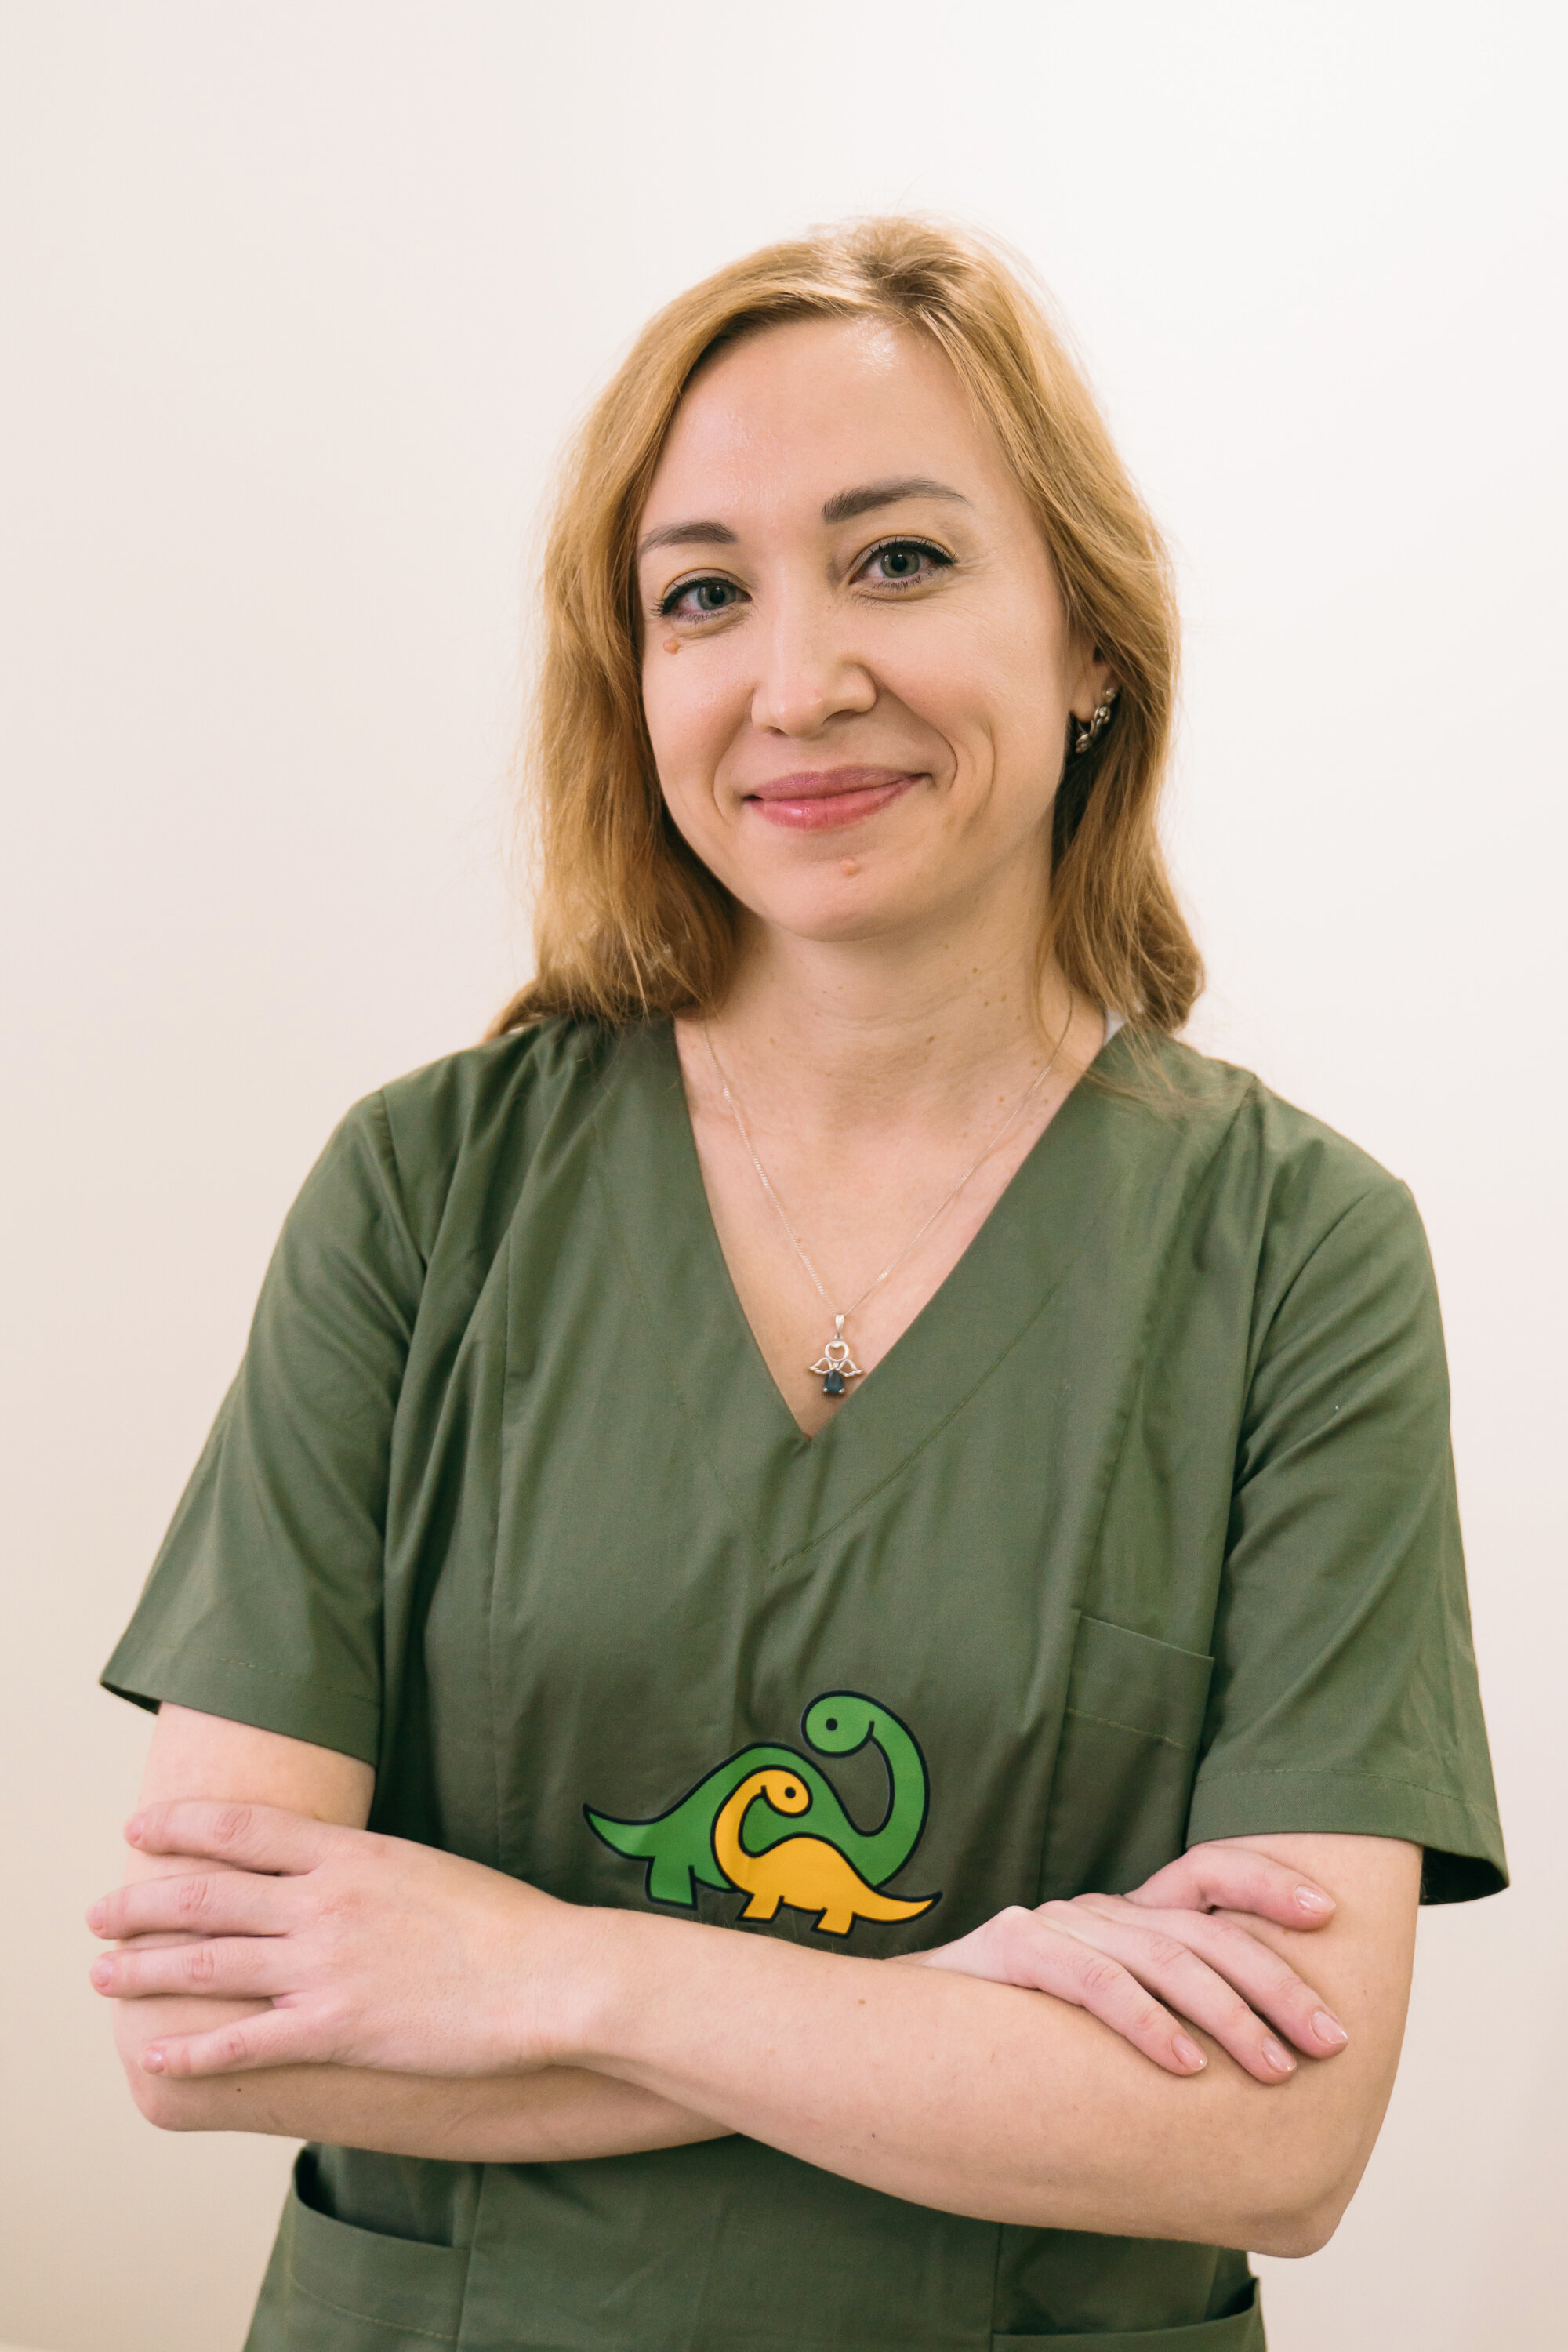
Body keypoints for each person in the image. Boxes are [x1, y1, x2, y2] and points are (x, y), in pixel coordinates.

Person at [91, 217, 1504, 2351]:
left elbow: (1274, 2137)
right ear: (634, 680)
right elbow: (207, 2021)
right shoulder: (424, 1195)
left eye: (899, 562)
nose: (797, 681)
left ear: (1091, 638)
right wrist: (951, 2017)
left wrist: (542, 1969)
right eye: (702, 596)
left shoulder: (1298, 1257)